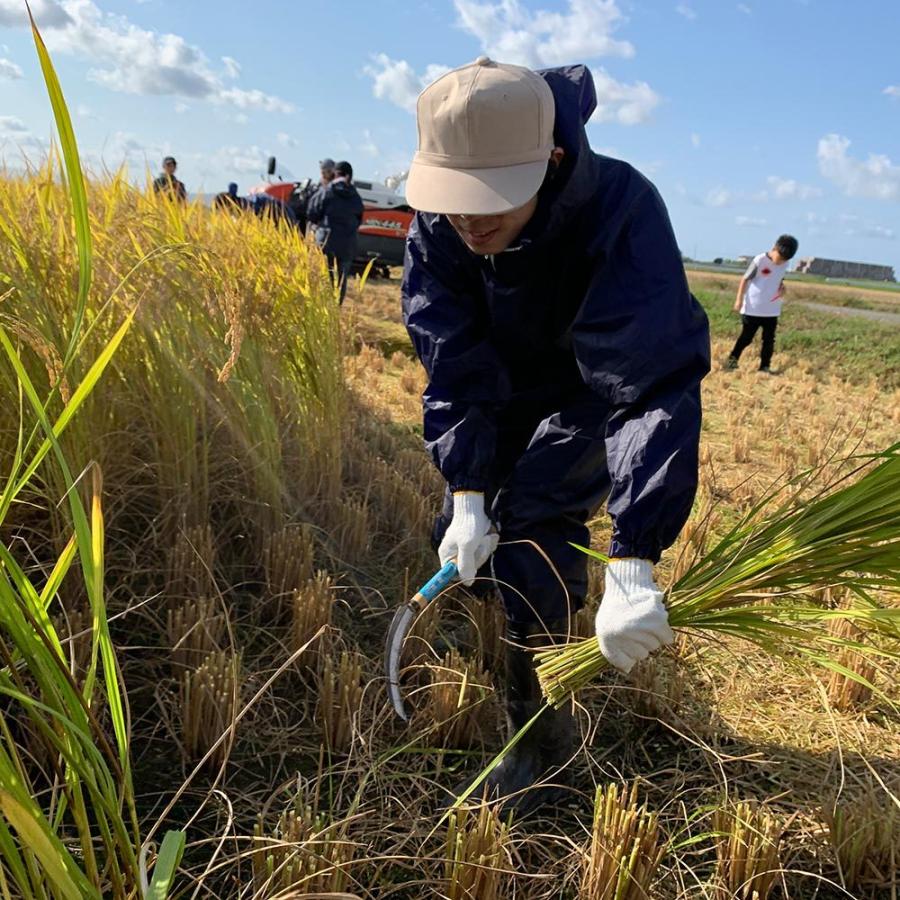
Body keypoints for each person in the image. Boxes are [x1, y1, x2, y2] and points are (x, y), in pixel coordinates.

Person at [401, 57, 710, 814]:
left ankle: (536, 736)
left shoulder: (621, 210)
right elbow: (453, 363)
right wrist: (468, 492)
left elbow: (647, 384)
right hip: (502, 385)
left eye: (490, 204)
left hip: (592, 390)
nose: (468, 223)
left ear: (553, 161)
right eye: (455, 202)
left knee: (534, 519)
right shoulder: (440, 229)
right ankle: (506, 624)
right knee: (467, 535)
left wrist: (632, 558)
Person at [725, 235, 799, 374]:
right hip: (753, 307)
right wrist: (739, 300)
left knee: (769, 340)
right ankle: (732, 359)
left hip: (771, 310)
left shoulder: (785, 264)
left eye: (785, 260)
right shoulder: (760, 260)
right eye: (780, 257)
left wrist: (782, 288)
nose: (781, 261)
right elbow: (745, 279)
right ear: (775, 248)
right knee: (746, 337)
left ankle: (764, 366)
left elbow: (778, 279)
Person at [306, 160, 364, 303]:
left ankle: (319, 313)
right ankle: (334, 315)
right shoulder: (356, 196)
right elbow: (358, 220)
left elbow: (312, 213)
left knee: (322, 279)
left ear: (335, 173)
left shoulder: (327, 191)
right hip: (347, 246)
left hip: (326, 243)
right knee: (340, 282)